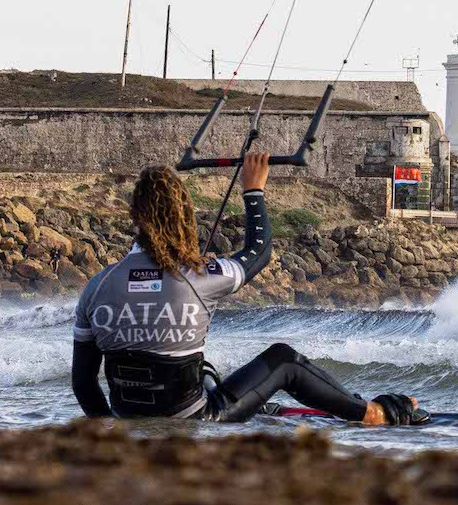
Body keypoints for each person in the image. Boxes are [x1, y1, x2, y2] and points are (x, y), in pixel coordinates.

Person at [70, 147, 425, 425]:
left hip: (127, 418)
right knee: (283, 360)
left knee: (205, 370)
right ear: (184, 214)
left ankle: (260, 406)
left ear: (135, 216)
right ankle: (371, 414)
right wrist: (254, 190)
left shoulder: (97, 286)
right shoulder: (199, 276)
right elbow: (258, 253)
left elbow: (84, 384)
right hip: (198, 418)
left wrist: (114, 429)